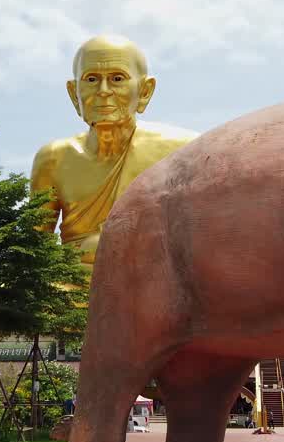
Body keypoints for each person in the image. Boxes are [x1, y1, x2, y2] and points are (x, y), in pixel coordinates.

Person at [30, 35, 198, 272]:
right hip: (74, 281)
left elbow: (199, 233)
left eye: (117, 78)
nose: (103, 91)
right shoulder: (54, 158)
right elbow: (35, 249)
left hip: (152, 275)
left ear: (145, 91)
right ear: (73, 92)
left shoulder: (181, 149)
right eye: (91, 79)